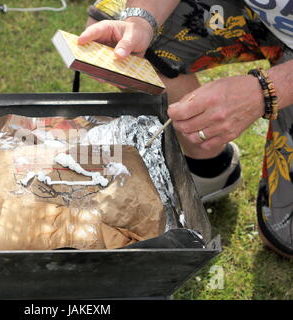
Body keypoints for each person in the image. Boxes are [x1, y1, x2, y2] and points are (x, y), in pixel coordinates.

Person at [80, 0, 293, 258]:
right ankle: (210, 168)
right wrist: (141, 20)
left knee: (285, 236)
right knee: (114, 29)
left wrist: (267, 90)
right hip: (258, 13)